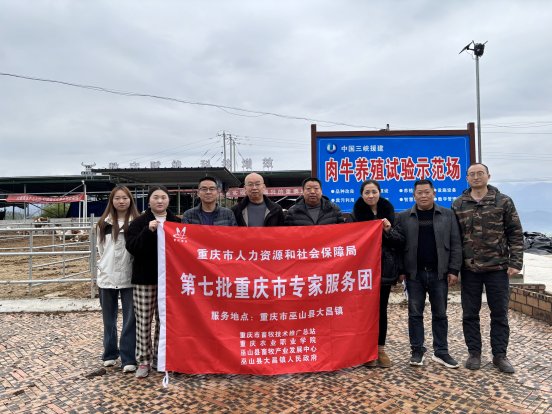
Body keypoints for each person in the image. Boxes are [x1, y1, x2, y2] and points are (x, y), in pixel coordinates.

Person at [452, 163, 523, 374]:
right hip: (470, 269)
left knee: (499, 314)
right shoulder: (458, 204)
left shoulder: (503, 201)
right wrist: (453, 268)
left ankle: (500, 355)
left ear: (488, 176)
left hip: (498, 268)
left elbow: (515, 233)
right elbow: (454, 239)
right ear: (467, 178)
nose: (476, 177)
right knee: (469, 314)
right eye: (472, 174)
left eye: (480, 173)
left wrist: (515, 262)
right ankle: (474, 353)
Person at [397, 179, 462, 368]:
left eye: (427, 192)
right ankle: (417, 350)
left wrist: (454, 270)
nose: (423, 196)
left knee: (440, 314)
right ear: (414, 195)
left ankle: (441, 351)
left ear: (434, 193)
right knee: (415, 314)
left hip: (439, 273)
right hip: (414, 275)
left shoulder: (447, 215)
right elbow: (398, 247)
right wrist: (401, 271)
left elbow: (456, 243)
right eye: (420, 193)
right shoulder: (403, 217)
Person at [126, 185, 181, 378]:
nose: (159, 201)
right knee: (143, 321)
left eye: (163, 197)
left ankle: (161, 358)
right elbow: (132, 247)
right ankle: (144, 360)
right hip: (144, 280)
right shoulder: (139, 222)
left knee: (165, 321)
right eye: (155, 197)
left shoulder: (177, 223)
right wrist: (147, 231)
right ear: (149, 201)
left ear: (168, 200)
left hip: (170, 281)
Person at [351, 180, 404, 368]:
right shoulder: (354, 217)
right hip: (362, 271)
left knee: (381, 311)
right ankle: (367, 351)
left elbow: (400, 241)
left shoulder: (391, 215)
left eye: (374, 191)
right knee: (364, 312)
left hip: (384, 270)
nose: (371, 195)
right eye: (367, 192)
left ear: (379, 193)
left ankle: (380, 349)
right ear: (362, 194)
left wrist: (388, 230)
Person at [96, 185, 140, 373]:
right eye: (117, 198)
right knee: (109, 318)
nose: (121, 201)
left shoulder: (137, 222)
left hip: (130, 276)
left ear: (131, 200)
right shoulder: (103, 224)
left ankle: (128, 357)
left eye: (125, 198)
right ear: (111, 201)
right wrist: (104, 266)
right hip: (107, 276)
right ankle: (109, 353)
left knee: (131, 319)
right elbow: (100, 250)